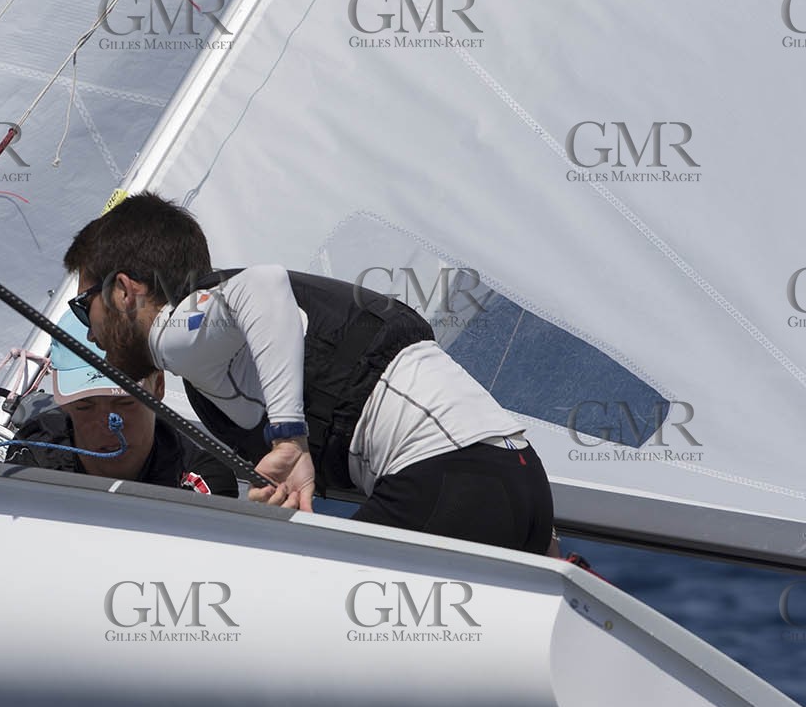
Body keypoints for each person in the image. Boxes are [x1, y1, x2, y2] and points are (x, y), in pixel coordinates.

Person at [64, 191, 556, 555]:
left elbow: (263, 283)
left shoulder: (175, 332)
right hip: (519, 481)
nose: (89, 333)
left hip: (449, 478)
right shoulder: (218, 346)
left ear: (124, 292)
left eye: (86, 307)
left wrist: (289, 439)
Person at [4, 312, 238, 498]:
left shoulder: (199, 479)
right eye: (85, 405)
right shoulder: (31, 459)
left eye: (125, 402)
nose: (108, 424)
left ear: (158, 386)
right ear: (64, 403)